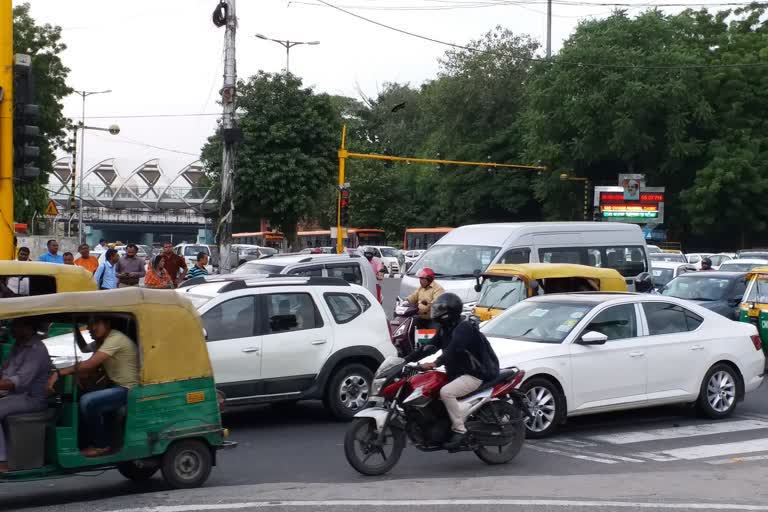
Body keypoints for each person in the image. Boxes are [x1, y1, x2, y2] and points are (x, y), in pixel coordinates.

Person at [416, 293, 500, 450]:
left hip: (474, 374)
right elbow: (429, 347)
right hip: (457, 373)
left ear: (450, 312)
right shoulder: (445, 329)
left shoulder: (464, 328)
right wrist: (405, 359)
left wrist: (435, 363)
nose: (436, 313)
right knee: (431, 388)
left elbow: (453, 349)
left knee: (446, 392)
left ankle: (460, 430)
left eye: (440, 309)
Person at [48, 317, 139, 457]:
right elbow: (84, 349)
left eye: (95, 323)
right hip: (115, 386)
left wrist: (59, 373)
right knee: (75, 397)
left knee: (88, 401)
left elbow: (90, 363)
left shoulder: (115, 339)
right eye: (89, 325)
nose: (90, 328)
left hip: (128, 390)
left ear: (107, 323)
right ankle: (83, 441)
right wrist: (76, 328)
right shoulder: (101, 341)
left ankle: (100, 445)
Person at [0, 318, 51, 472]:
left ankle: (1, 461)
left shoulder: (36, 350)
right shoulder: (18, 346)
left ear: (27, 327)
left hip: (31, 399)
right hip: (13, 396)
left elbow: (19, 381)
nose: (11, 328)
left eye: (15, 324)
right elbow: (5, 372)